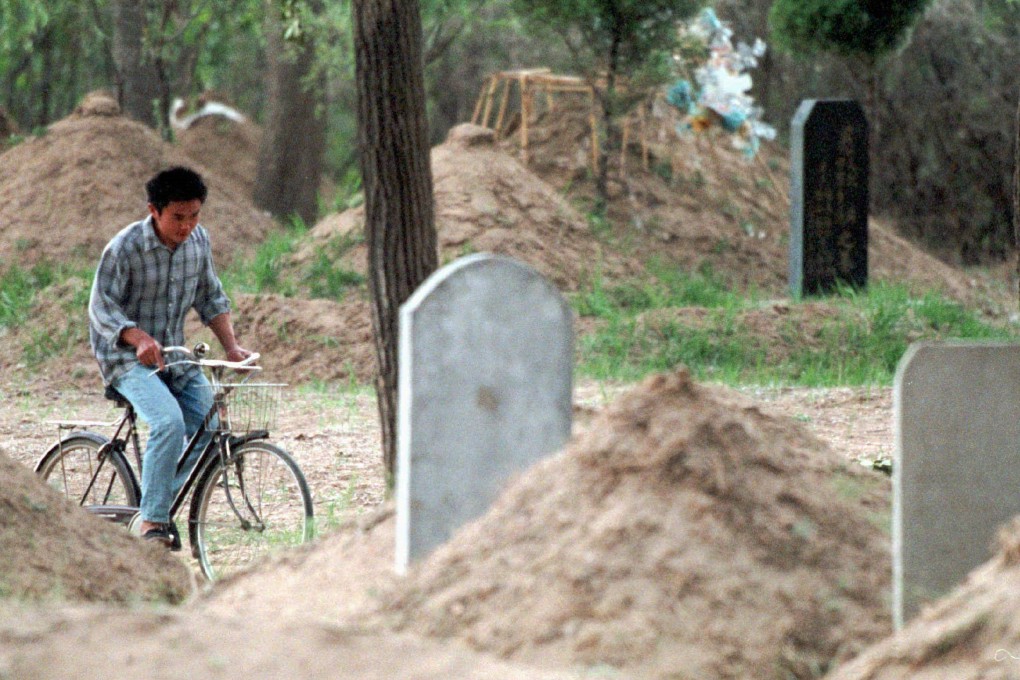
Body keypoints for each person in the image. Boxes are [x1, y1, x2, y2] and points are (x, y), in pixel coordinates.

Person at [88, 166, 251, 548]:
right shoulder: (125, 247)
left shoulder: (198, 242)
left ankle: (152, 503)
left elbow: (210, 297)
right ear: (154, 211)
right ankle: (153, 523)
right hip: (126, 358)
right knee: (168, 422)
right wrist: (136, 336)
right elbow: (101, 306)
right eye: (178, 217)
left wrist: (231, 348)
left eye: (194, 215)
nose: (187, 226)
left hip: (172, 356)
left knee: (212, 427)